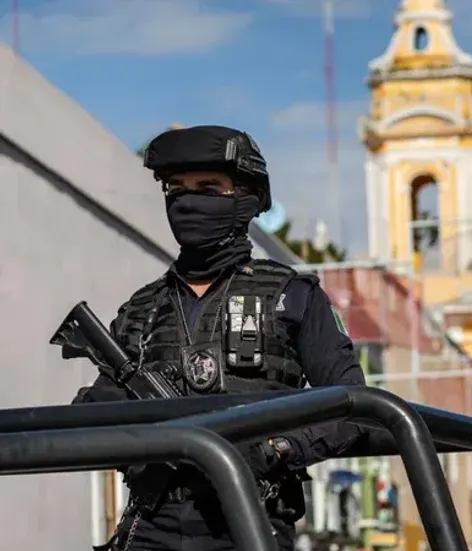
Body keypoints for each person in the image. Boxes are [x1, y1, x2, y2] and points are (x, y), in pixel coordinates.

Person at [71, 125, 365, 551]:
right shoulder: (141, 309)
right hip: (151, 522)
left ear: (244, 197)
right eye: (176, 189)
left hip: (249, 517)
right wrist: (107, 410)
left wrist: (277, 448)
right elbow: (95, 416)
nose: (188, 201)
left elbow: (351, 404)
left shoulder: (293, 296)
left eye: (208, 187)